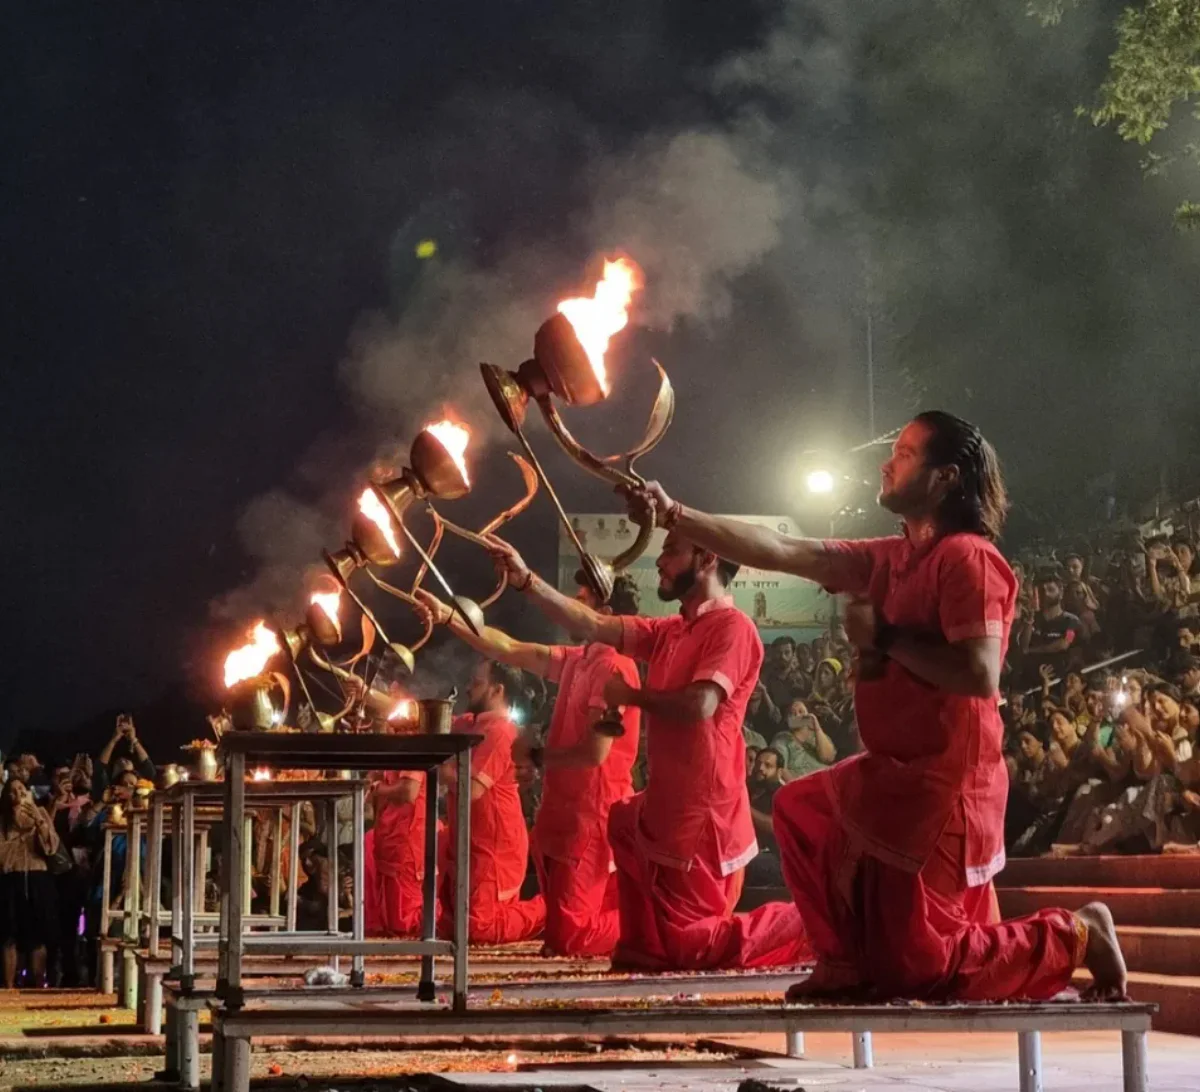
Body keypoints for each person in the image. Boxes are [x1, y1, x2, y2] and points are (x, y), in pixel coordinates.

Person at [621, 410, 1126, 1001]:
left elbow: (980, 673)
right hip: (890, 776)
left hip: (946, 785)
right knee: (802, 811)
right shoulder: (889, 557)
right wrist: (675, 514)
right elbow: (784, 548)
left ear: (945, 478)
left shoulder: (968, 558)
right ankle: (846, 964)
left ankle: (1078, 932)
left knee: (924, 968)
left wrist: (883, 638)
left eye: (907, 453)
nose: (886, 463)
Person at [483, 532, 809, 972]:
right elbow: (594, 624)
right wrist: (525, 580)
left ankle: (818, 923)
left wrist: (631, 697)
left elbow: (701, 705)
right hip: (663, 811)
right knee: (641, 946)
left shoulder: (733, 628)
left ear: (707, 557)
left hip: (704, 817)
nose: (660, 561)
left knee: (689, 948)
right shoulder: (670, 631)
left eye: (672, 550)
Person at [416, 573, 641, 958]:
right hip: (561, 813)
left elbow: (596, 753)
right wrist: (448, 618)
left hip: (591, 814)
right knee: (561, 935)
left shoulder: (615, 666)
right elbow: (509, 648)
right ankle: (638, 917)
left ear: (604, 613)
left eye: (580, 600)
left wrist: (536, 755)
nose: (569, 607)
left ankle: (653, 926)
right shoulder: (578, 659)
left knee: (571, 938)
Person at [440, 660, 545, 945]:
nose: (466, 688)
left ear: (497, 690)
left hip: (494, 849)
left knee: (478, 929)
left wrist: (441, 766)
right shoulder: (469, 725)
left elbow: (471, 789)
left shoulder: (500, 731)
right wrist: (366, 691)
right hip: (468, 843)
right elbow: (422, 718)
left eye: (475, 683)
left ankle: (550, 910)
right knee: (449, 928)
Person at [0, 777, 61, 988]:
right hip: (11, 877)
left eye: (20, 789)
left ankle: (38, 982)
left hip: (37, 877)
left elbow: (51, 847)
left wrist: (38, 819)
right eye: (12, 791)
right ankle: (8, 985)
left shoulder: (40, 813)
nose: (17, 794)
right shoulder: (2, 820)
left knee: (38, 934)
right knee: (9, 935)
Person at [770, 705, 835, 781]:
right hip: (801, 784)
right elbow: (780, 767)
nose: (797, 715)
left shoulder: (819, 735)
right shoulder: (782, 737)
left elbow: (828, 758)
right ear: (787, 720)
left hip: (825, 780)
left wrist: (817, 728)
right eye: (792, 713)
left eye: (801, 712)